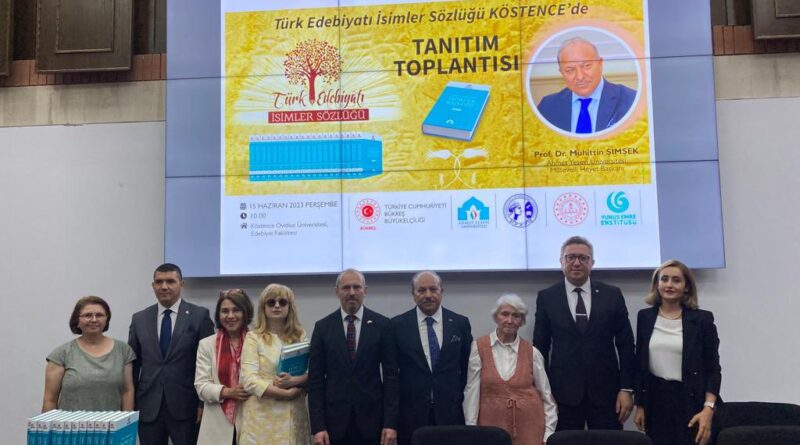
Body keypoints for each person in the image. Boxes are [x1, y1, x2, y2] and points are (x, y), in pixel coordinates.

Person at [533, 236, 636, 430]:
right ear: (561, 261)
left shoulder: (612, 295)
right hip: (562, 395)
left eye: (583, 258)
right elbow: (540, 347)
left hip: (607, 393)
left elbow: (626, 344)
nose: (576, 263)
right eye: (570, 257)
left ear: (592, 263)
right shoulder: (547, 297)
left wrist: (626, 388)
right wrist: (543, 392)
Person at [633, 260, 721, 445]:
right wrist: (640, 405)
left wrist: (708, 408)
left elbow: (713, 368)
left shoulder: (702, 320)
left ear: (686, 287)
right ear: (657, 285)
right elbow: (640, 364)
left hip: (692, 401)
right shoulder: (645, 317)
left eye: (676, 280)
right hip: (657, 401)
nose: (669, 284)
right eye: (664, 279)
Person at [308, 268, 399, 445]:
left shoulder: (383, 325)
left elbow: (391, 377)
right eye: (346, 287)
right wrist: (318, 427)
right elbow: (315, 380)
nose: (351, 292)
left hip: (373, 422)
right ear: (337, 292)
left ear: (365, 290)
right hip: (334, 424)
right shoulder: (323, 328)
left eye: (357, 287)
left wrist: (390, 423)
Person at [128, 263, 215, 445]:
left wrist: (202, 404)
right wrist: (131, 406)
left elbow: (208, 365)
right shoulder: (139, 319)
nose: (164, 286)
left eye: (170, 281)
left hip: (187, 407)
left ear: (181, 284)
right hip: (148, 407)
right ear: (153, 286)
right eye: (159, 282)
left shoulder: (199, 315)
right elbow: (133, 366)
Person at [391, 271, 473, 445]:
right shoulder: (397, 325)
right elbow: (392, 375)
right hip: (410, 416)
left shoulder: (460, 323)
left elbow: (468, 370)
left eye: (433, 289)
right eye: (421, 290)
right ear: (413, 294)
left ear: (441, 291)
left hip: (451, 413)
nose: (428, 295)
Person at [464, 294, 557, 445]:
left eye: (516, 316)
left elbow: (546, 396)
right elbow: (472, 392)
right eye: (505, 314)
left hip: (530, 428)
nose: (510, 320)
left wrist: (548, 434)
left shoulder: (532, 352)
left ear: (522, 321)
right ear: (496, 317)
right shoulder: (479, 348)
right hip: (490, 427)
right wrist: (471, 429)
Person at [239, 284, 310, 445]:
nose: (277, 306)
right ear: (263, 308)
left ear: (290, 307)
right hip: (262, 420)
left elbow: (311, 373)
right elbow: (249, 381)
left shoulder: (300, 336)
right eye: (271, 302)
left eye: (282, 302)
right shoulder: (253, 337)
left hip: (294, 415)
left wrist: (294, 381)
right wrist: (286, 394)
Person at [42, 296, 135, 412]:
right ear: (77, 321)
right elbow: (50, 400)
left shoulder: (123, 351)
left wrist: (128, 422)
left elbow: (127, 392)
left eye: (99, 315)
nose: (94, 320)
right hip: (71, 424)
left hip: (112, 423)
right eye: (88, 315)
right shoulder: (61, 355)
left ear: (107, 319)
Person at [537, 37, 637, 134]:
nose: (580, 77)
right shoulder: (547, 107)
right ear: (561, 72)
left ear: (600, 64)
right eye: (570, 70)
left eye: (586, 66)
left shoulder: (630, 100)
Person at [195, 289, 254, 445]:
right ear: (218, 315)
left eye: (236, 310)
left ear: (246, 312)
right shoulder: (206, 344)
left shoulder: (258, 342)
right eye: (225, 311)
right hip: (217, 425)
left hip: (252, 422)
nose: (230, 316)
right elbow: (201, 386)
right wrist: (229, 392)